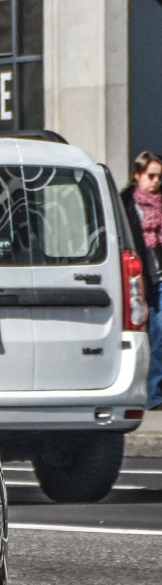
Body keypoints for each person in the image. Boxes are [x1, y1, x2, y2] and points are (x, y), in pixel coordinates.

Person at [122, 151, 162, 408]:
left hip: (160, 280)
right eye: (151, 175)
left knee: (158, 335)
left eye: (159, 176)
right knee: (141, 337)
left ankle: (155, 395)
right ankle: (145, 393)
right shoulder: (126, 205)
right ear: (137, 175)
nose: (156, 181)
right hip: (138, 281)